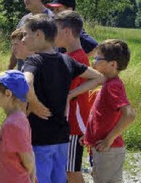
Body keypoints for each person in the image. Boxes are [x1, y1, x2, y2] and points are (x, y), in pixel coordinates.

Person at [21, 15, 105, 183]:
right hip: (61, 135)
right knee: (59, 179)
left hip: (40, 135)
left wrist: (35, 103)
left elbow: (26, 81)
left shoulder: (34, 60)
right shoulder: (67, 60)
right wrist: (70, 94)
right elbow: (99, 78)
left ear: (39, 35)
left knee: (40, 178)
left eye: (25, 34)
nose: (23, 39)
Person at [84, 39, 136, 183]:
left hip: (109, 150)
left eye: (97, 58)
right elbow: (101, 116)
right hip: (105, 149)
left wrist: (108, 140)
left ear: (112, 64)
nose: (93, 62)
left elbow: (129, 115)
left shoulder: (113, 86)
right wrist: (88, 135)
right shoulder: (108, 83)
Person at [52, 11, 91, 183]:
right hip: (66, 124)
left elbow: (65, 92)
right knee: (64, 170)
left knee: (71, 171)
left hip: (74, 126)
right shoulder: (68, 56)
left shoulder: (78, 59)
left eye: (56, 29)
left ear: (67, 31)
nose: (52, 34)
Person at [0, 70, 35, 183]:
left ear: (8, 94)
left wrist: (30, 177)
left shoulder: (12, 125)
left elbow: (28, 160)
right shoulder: (20, 118)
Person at [9, 0, 53, 70]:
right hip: (23, 70)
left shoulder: (51, 19)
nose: (25, 0)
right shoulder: (24, 20)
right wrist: (10, 68)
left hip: (44, 71)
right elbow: (16, 44)